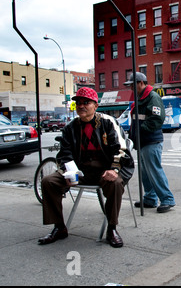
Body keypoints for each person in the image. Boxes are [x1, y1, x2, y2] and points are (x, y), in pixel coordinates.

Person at [38, 87, 134, 248]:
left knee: (116, 183)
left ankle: (111, 229)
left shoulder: (108, 122)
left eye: (86, 102)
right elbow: (64, 154)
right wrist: (68, 172)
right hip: (79, 171)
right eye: (78, 103)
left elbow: (121, 148)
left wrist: (114, 169)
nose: (81, 106)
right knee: (48, 181)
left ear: (95, 106)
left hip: (105, 170)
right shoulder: (70, 127)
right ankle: (59, 227)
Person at [124, 72, 176, 213]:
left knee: (153, 170)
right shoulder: (140, 98)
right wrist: (133, 134)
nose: (131, 88)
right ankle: (150, 198)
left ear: (141, 82)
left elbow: (157, 119)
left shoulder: (152, 97)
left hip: (151, 141)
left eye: (132, 85)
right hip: (142, 141)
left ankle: (167, 199)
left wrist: (140, 131)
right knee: (144, 172)